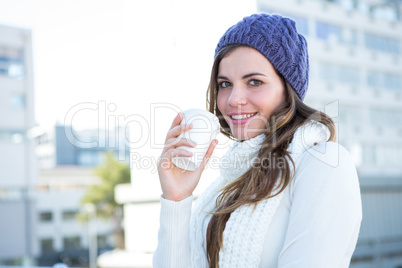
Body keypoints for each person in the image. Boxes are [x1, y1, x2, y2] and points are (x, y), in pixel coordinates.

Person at [153, 13, 362, 268]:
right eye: (225, 83)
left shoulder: (323, 164)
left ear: (288, 91)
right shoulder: (224, 185)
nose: (233, 99)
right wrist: (176, 198)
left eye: (254, 82)